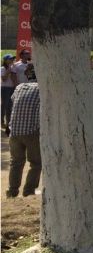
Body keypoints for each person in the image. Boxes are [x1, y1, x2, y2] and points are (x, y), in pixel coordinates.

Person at [6, 66, 41, 198]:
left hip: (14, 131)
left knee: (16, 162)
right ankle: (28, 191)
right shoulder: (41, 89)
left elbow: (13, 102)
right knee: (36, 163)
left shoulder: (19, 87)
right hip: (31, 131)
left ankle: (12, 192)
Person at [1, 54, 15, 131]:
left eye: (12, 59)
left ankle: (8, 123)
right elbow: (4, 79)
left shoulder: (13, 67)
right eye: (10, 59)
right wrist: (8, 71)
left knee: (9, 106)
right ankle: (2, 122)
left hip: (12, 88)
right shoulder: (3, 68)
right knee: (4, 105)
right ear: (6, 60)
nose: (12, 60)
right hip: (5, 88)